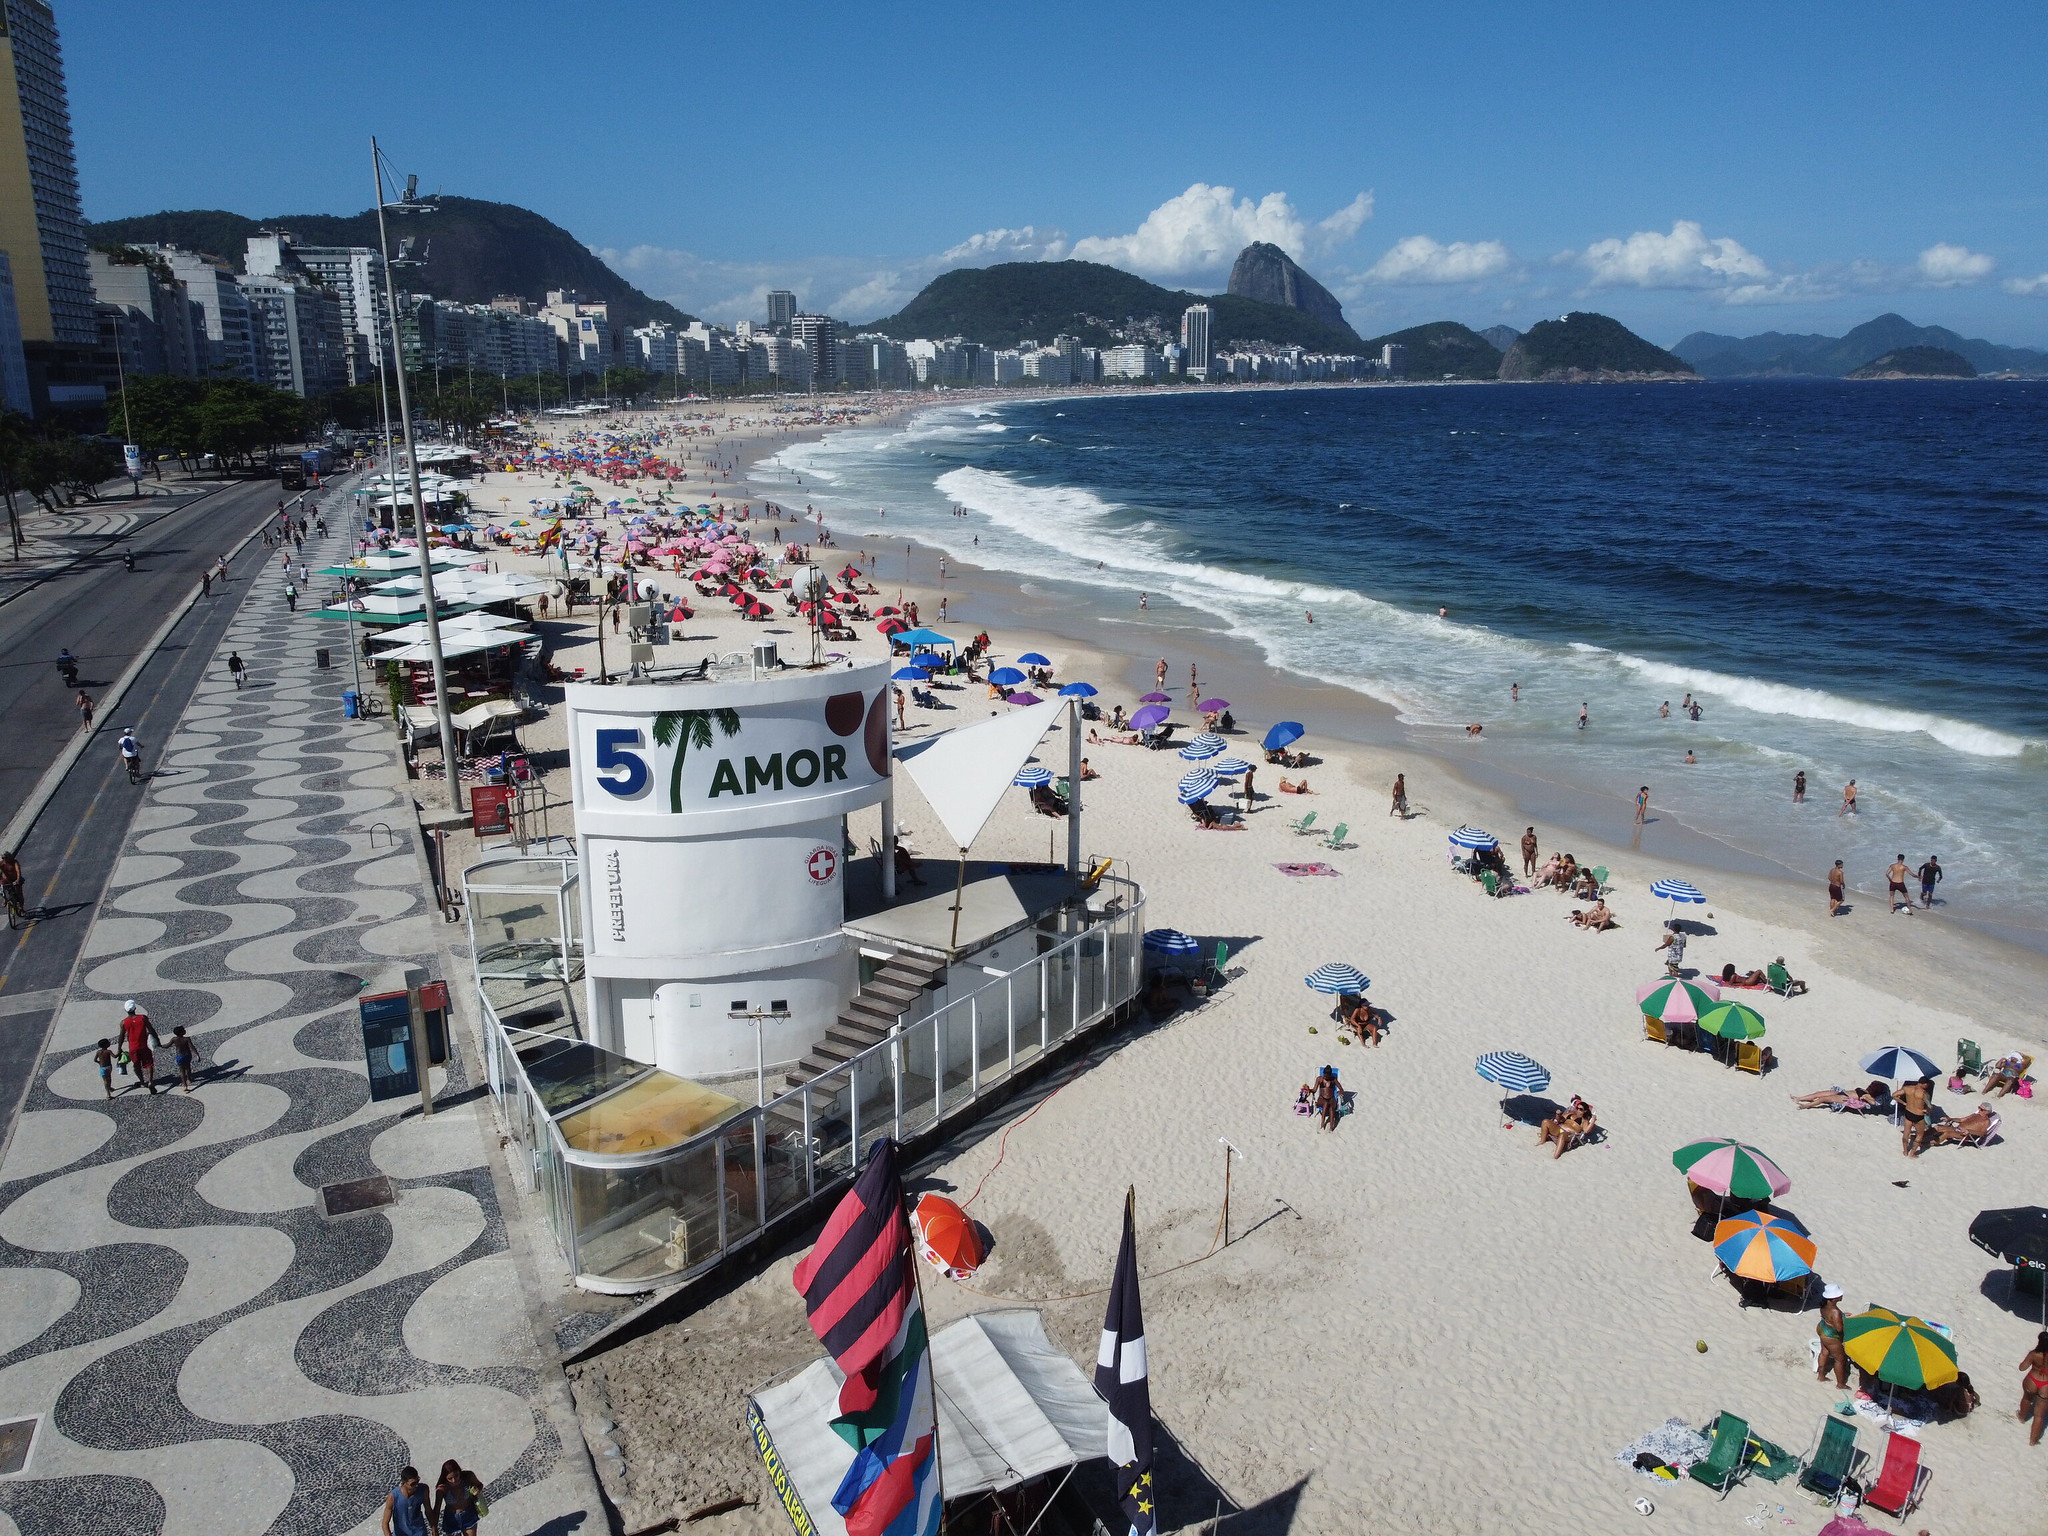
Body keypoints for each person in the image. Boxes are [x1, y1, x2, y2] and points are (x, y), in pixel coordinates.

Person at [120, 1000, 164, 1094]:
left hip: (133, 1048)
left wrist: (119, 1048)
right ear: (135, 1008)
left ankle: (142, 1081)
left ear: (125, 1010)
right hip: (144, 1046)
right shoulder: (143, 1018)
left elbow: (121, 1036)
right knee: (149, 1064)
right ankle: (151, 1081)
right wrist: (157, 1040)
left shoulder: (124, 1022)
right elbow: (151, 1029)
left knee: (136, 1066)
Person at [434, 1460, 485, 1535]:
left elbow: (479, 1485)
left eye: (456, 1476)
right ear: (445, 1478)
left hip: (468, 1514)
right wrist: (434, 1528)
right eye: (450, 1478)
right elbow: (437, 1509)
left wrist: (477, 1490)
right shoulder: (442, 1488)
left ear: (459, 1471)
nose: (454, 1480)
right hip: (452, 1519)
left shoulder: (468, 1477)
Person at [382, 1467, 433, 1536]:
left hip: (419, 1532)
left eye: (417, 1481)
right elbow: (385, 1523)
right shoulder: (393, 1497)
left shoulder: (423, 1490)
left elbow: (428, 1510)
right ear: (404, 1483)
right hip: (401, 1533)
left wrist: (434, 1527)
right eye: (413, 1484)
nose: (416, 1485)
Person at [1815, 1285, 1850, 1386]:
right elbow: (1839, 1329)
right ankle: (1840, 1384)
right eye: (1839, 1295)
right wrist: (1842, 1320)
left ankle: (1821, 1376)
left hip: (1822, 1328)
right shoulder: (1835, 1312)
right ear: (1834, 1298)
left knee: (1824, 1352)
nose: (1841, 1295)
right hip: (1830, 1335)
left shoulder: (1824, 1304)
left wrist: (1842, 1315)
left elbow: (1829, 1316)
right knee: (1840, 1359)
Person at [1896, 1076, 1933, 1157]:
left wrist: (1904, 1103)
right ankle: (1912, 1153)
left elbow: (1894, 1095)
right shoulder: (1924, 1093)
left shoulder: (1907, 1088)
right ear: (1925, 1084)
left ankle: (1905, 1151)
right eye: (1927, 1084)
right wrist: (1926, 1110)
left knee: (1906, 1133)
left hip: (1908, 1112)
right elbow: (1930, 1107)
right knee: (1920, 1134)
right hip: (1918, 1115)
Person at [1929, 1102, 1996, 1145]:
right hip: (1956, 1129)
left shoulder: (1986, 1121)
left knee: (1947, 1133)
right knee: (1937, 1127)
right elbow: (1961, 1119)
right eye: (1979, 1108)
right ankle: (1922, 1137)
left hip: (1964, 1135)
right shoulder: (1975, 1115)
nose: (1979, 1110)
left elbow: (1982, 1133)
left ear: (1987, 1112)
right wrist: (1950, 1119)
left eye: (1981, 1109)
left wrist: (1969, 1131)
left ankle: (1928, 1143)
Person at [1790, 1083, 1886, 1111]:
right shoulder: (1865, 1091)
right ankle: (1799, 1098)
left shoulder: (1868, 1095)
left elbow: (1873, 1103)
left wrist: (1865, 1098)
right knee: (1819, 1093)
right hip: (1841, 1092)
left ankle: (1805, 1106)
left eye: (1872, 1086)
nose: (1870, 1086)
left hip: (1844, 1098)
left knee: (1823, 1099)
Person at [169, 1026, 201, 1093]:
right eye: (184, 1030)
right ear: (182, 1032)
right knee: (188, 1067)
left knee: (182, 1071)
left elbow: (167, 1045)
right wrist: (196, 1054)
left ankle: (184, 1085)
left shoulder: (174, 1039)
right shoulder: (186, 1039)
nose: (185, 1030)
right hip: (187, 1055)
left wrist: (159, 1045)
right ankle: (189, 1079)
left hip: (180, 1056)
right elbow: (192, 1047)